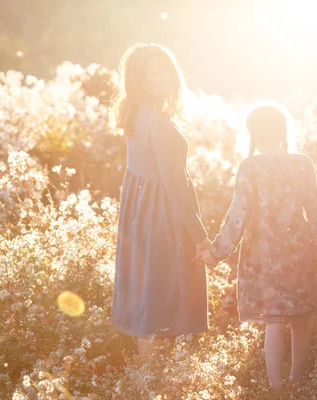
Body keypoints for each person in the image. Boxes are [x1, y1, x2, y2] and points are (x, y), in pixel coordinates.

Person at [201, 104, 317, 392]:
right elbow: (315, 211)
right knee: (299, 320)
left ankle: (275, 388)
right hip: (298, 253)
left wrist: (217, 251)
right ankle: (297, 379)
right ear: (283, 130)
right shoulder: (302, 163)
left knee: (274, 321)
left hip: (263, 257)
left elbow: (238, 215)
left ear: (254, 134)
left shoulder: (251, 167)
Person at [110, 43, 211, 355]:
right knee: (165, 290)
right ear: (140, 78)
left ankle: (148, 375)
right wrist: (200, 236)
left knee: (147, 289)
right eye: (155, 72)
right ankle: (158, 378)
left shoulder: (136, 113)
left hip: (141, 212)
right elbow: (176, 186)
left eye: (167, 69)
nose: (165, 76)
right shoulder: (159, 124)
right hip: (163, 215)